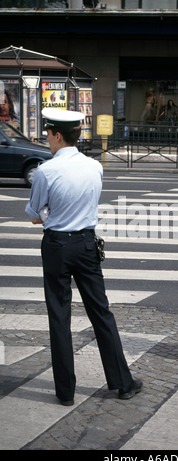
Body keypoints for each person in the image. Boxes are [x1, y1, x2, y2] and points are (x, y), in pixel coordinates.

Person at [25, 108, 142, 406]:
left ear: (58, 135)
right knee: (101, 312)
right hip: (87, 244)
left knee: (59, 316)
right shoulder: (94, 166)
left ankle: (65, 392)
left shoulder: (46, 171)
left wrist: (52, 212)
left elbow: (35, 216)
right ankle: (122, 382)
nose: (47, 140)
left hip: (57, 246)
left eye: (48, 135)